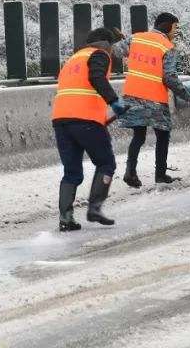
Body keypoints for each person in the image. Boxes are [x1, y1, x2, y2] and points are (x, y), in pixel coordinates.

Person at [51, 27, 125, 231]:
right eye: (112, 45)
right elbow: (96, 77)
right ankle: (95, 208)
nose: (113, 50)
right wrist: (114, 101)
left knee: (72, 171)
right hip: (86, 119)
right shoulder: (99, 54)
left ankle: (66, 219)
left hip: (61, 120)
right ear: (106, 43)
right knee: (106, 163)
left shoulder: (73, 59)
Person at [119, 12, 190, 187]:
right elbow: (169, 77)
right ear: (167, 26)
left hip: (132, 95)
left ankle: (130, 172)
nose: (176, 31)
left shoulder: (136, 38)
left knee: (138, 136)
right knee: (163, 135)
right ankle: (160, 174)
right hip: (154, 98)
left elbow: (117, 50)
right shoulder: (167, 46)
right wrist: (184, 93)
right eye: (175, 27)